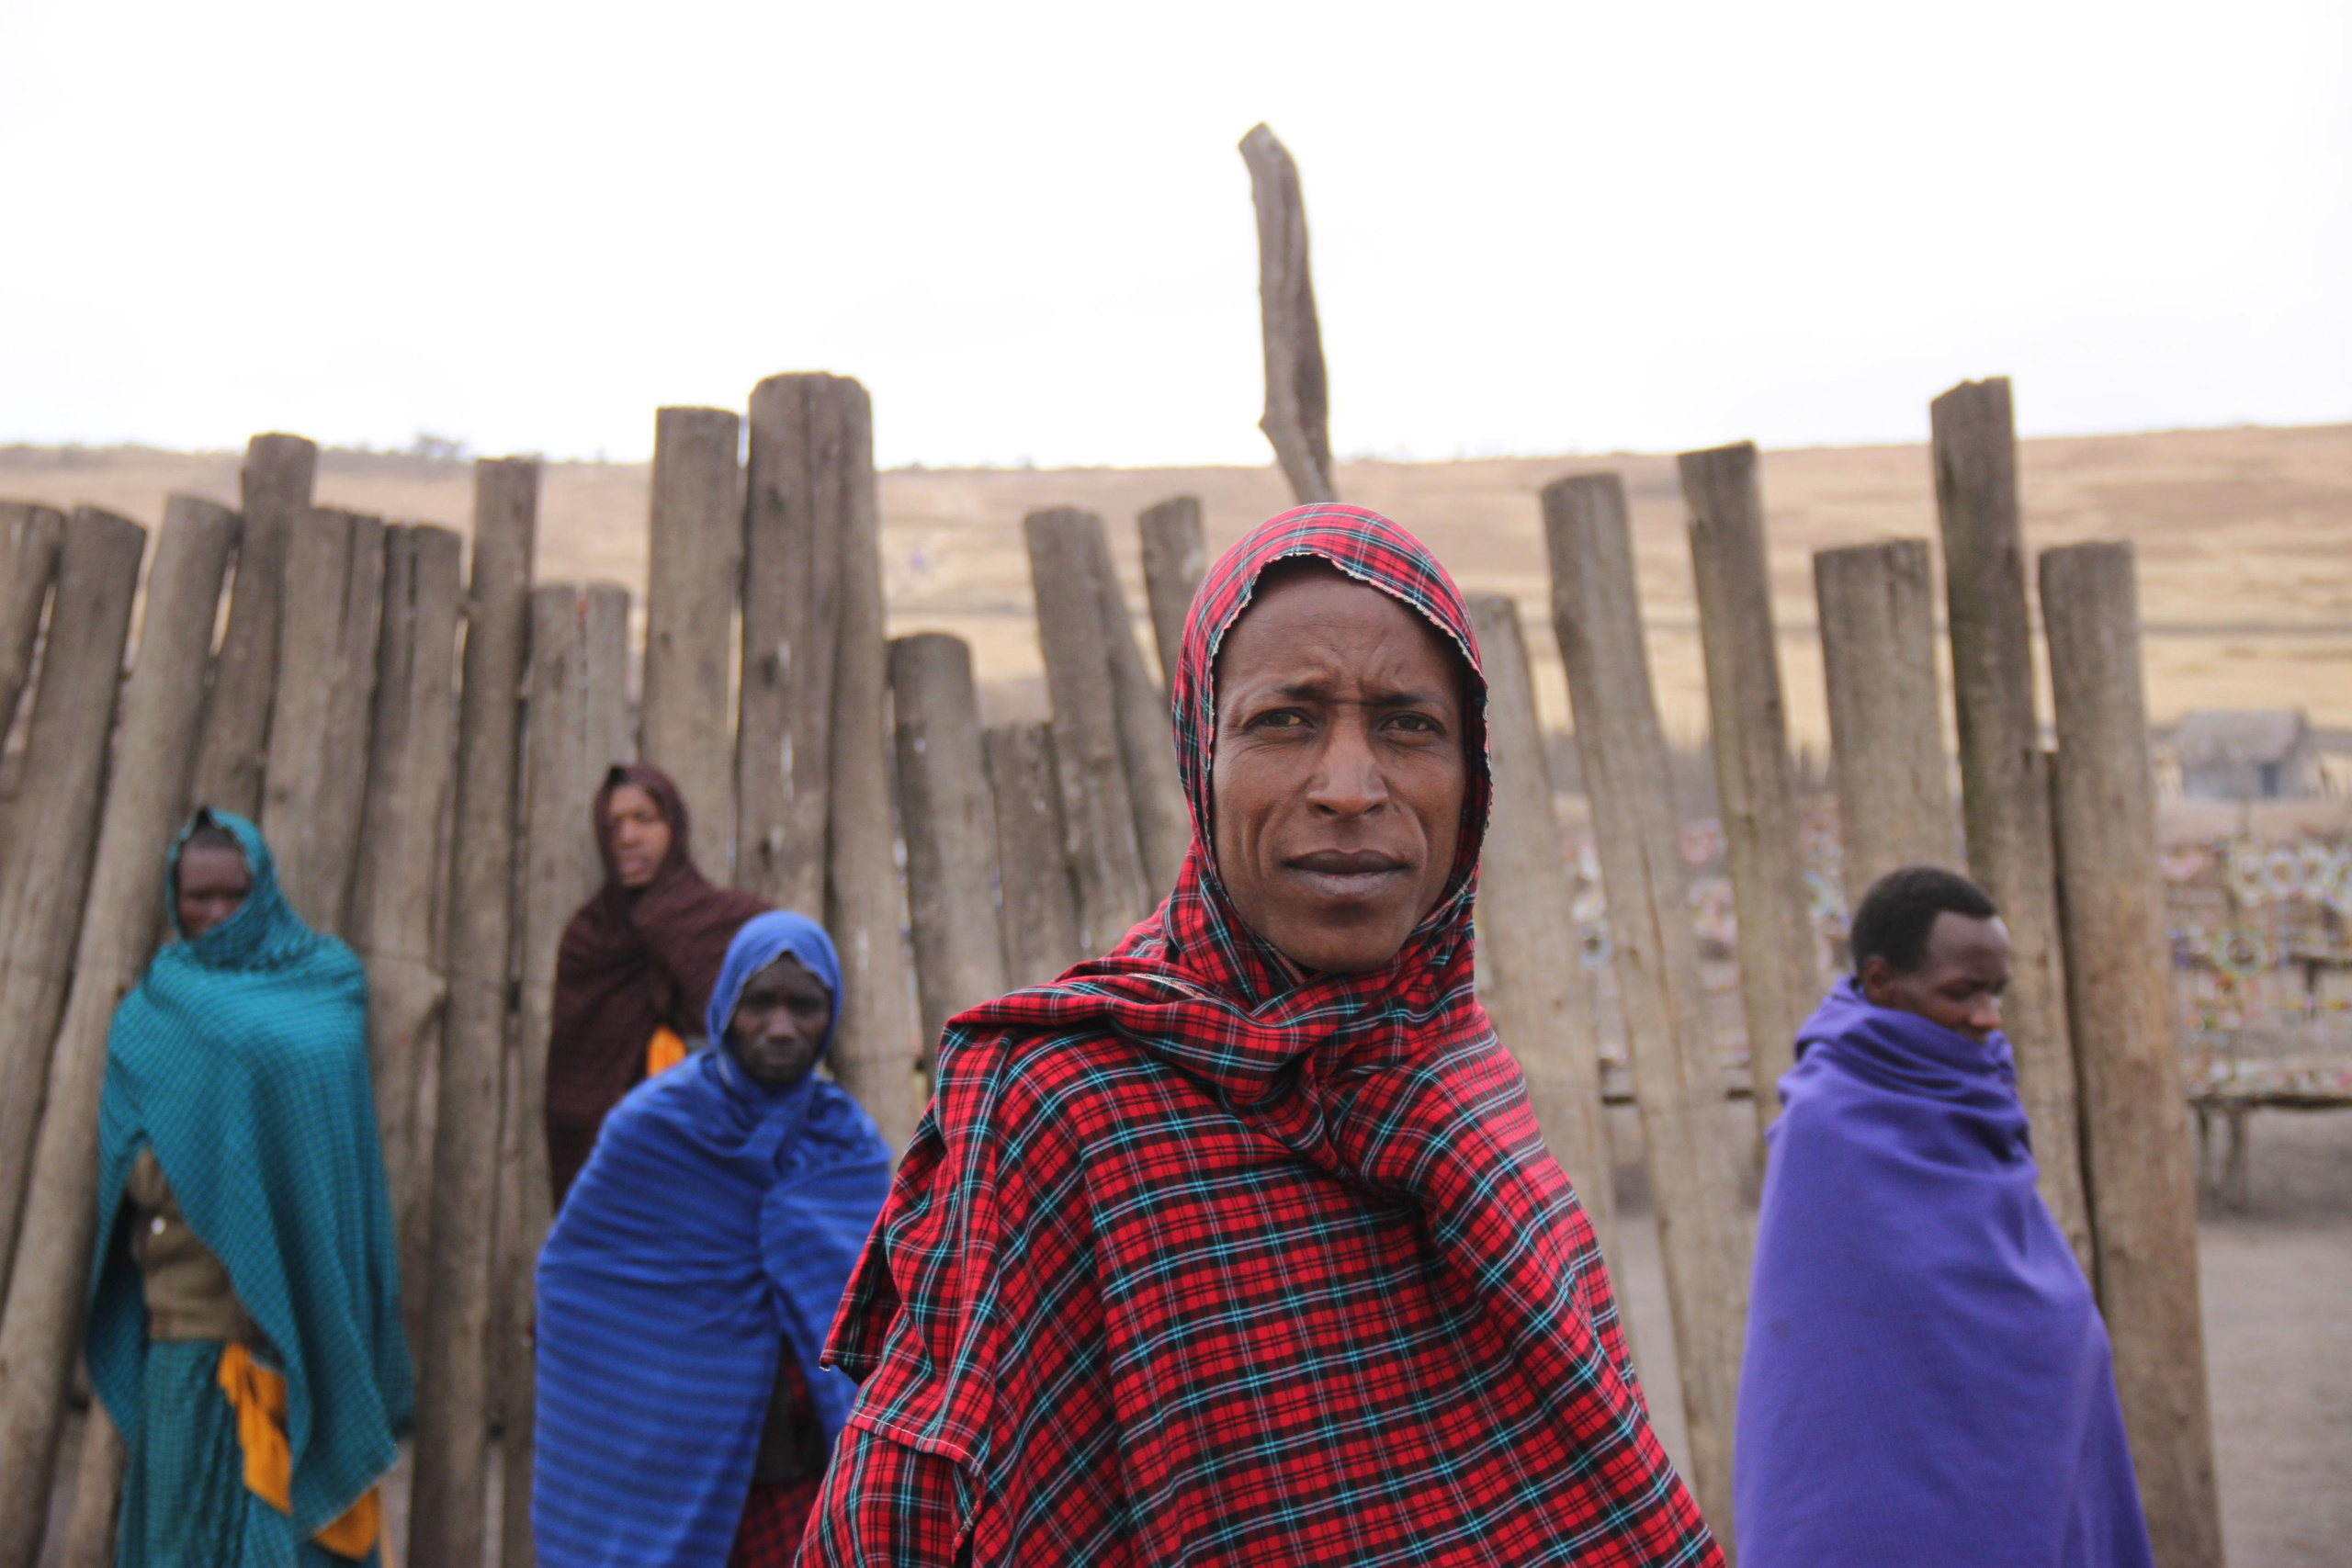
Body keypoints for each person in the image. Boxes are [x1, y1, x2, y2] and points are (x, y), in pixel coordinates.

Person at [805, 506, 1719, 1565]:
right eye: (1284, 720)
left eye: (1408, 725)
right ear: (1203, 756)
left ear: (1471, 776)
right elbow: (905, 1523)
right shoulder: (1066, 1104)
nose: (1346, 786)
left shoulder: (1453, 1070)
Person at [1734, 865, 2154, 1567]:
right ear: (1881, 981)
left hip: (2025, 1438)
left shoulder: (1981, 1087)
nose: (1988, 1015)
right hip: (1880, 1460)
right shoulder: (1829, 1121)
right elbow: (1835, 1346)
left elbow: (2005, 1265)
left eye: (1997, 992)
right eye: (1963, 992)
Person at [86, 809, 412, 1566]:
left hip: (302, 1323)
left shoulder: (327, 984)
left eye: (235, 893)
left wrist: (263, 1190)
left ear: (264, 887)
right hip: (189, 1337)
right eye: (199, 896)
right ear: (174, 897)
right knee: (181, 1542)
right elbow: (129, 1160)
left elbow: (342, 1156)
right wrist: (222, 1179)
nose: (218, 913)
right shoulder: (149, 1014)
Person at [533, 910, 893, 1568]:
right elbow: (575, 1279)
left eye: (804, 1006)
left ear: (831, 1014)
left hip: (804, 1472)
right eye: (760, 1004)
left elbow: (884, 1319)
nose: (781, 1027)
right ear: (726, 1006)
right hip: (668, 1459)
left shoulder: (848, 1145)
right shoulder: (655, 1129)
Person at [546, 762, 768, 1203]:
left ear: (674, 825)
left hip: (716, 1151)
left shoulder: (727, 926)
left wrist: (662, 924)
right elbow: (574, 1084)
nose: (627, 837)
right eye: (613, 825)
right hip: (610, 1163)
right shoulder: (590, 940)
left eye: (644, 820)